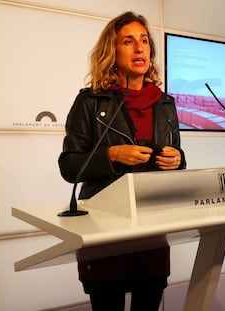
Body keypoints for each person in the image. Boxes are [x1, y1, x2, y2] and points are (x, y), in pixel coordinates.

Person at [58, 11, 186, 311]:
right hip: (106, 229)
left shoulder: (166, 104)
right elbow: (69, 166)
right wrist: (110, 156)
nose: (140, 48)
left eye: (144, 41)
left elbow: (178, 158)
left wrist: (177, 160)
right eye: (128, 41)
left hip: (151, 227)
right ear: (112, 51)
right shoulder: (90, 101)